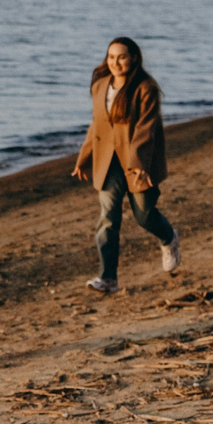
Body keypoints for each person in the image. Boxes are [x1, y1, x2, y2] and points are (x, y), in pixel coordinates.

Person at [71, 36, 180, 295]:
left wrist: (138, 163)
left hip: (138, 162)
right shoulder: (100, 86)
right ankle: (108, 279)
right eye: (111, 57)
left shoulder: (145, 88)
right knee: (108, 219)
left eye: (121, 57)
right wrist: (84, 159)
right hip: (107, 163)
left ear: (133, 58)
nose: (115, 62)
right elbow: (97, 125)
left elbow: (146, 129)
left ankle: (169, 238)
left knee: (144, 215)